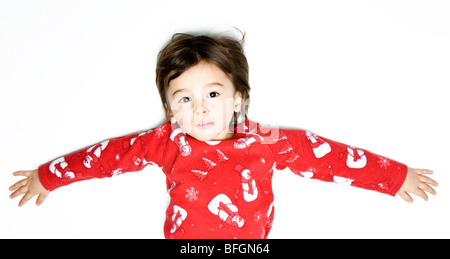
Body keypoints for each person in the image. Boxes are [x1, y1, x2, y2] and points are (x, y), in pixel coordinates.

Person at [9, 32, 438, 239]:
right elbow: (106, 157)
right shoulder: (164, 143)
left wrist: (394, 176)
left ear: (237, 98)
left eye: (212, 93)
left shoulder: (269, 141)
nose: (199, 108)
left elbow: (328, 158)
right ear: (168, 108)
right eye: (183, 98)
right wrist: (47, 176)